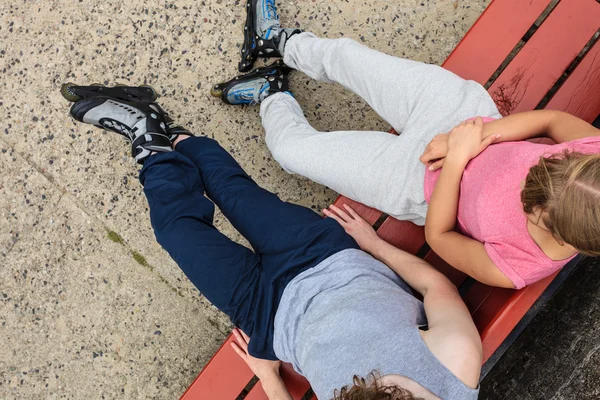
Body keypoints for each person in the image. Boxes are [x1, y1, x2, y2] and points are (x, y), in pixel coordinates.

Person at [63, 85, 483, 399]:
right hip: (325, 259)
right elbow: (436, 286)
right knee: (231, 191)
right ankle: (169, 134)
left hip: (267, 319)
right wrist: (373, 245)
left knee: (176, 233)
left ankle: (146, 136)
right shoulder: (454, 364)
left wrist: (268, 376)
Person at [213, 0, 600, 290]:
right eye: (549, 164)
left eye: (528, 206)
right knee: (349, 57)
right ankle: (279, 43)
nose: (525, 185)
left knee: (290, 152)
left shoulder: (520, 266)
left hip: (421, 186)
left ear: (564, 237)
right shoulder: (593, 160)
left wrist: (457, 159)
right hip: (462, 118)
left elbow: (440, 236)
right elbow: (551, 121)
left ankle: (271, 94)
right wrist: (474, 136)